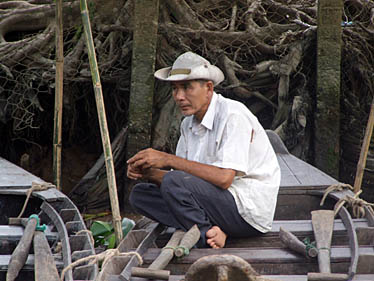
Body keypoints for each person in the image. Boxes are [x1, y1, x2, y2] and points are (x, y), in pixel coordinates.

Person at [127, 51, 280, 249]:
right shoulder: (188, 124)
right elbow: (183, 184)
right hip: (214, 205)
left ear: (208, 88)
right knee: (140, 195)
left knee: (174, 181)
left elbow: (224, 179)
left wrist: (168, 159)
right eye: (175, 89)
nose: (179, 97)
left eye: (187, 88)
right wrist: (148, 173)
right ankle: (213, 231)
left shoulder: (233, 115)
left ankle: (203, 234)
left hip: (247, 212)